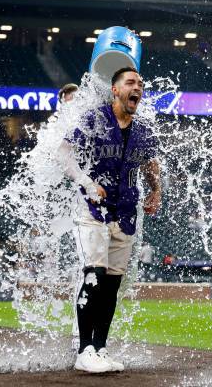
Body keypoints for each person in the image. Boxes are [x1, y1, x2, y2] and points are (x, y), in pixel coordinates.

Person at [57, 67, 161, 373]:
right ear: (115, 90)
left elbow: (150, 164)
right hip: (93, 210)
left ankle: (100, 348)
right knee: (95, 275)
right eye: (130, 82)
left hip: (125, 214)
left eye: (140, 84)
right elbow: (63, 154)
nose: (137, 87)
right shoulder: (95, 118)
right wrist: (88, 183)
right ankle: (84, 350)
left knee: (112, 284)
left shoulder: (143, 129)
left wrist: (156, 190)